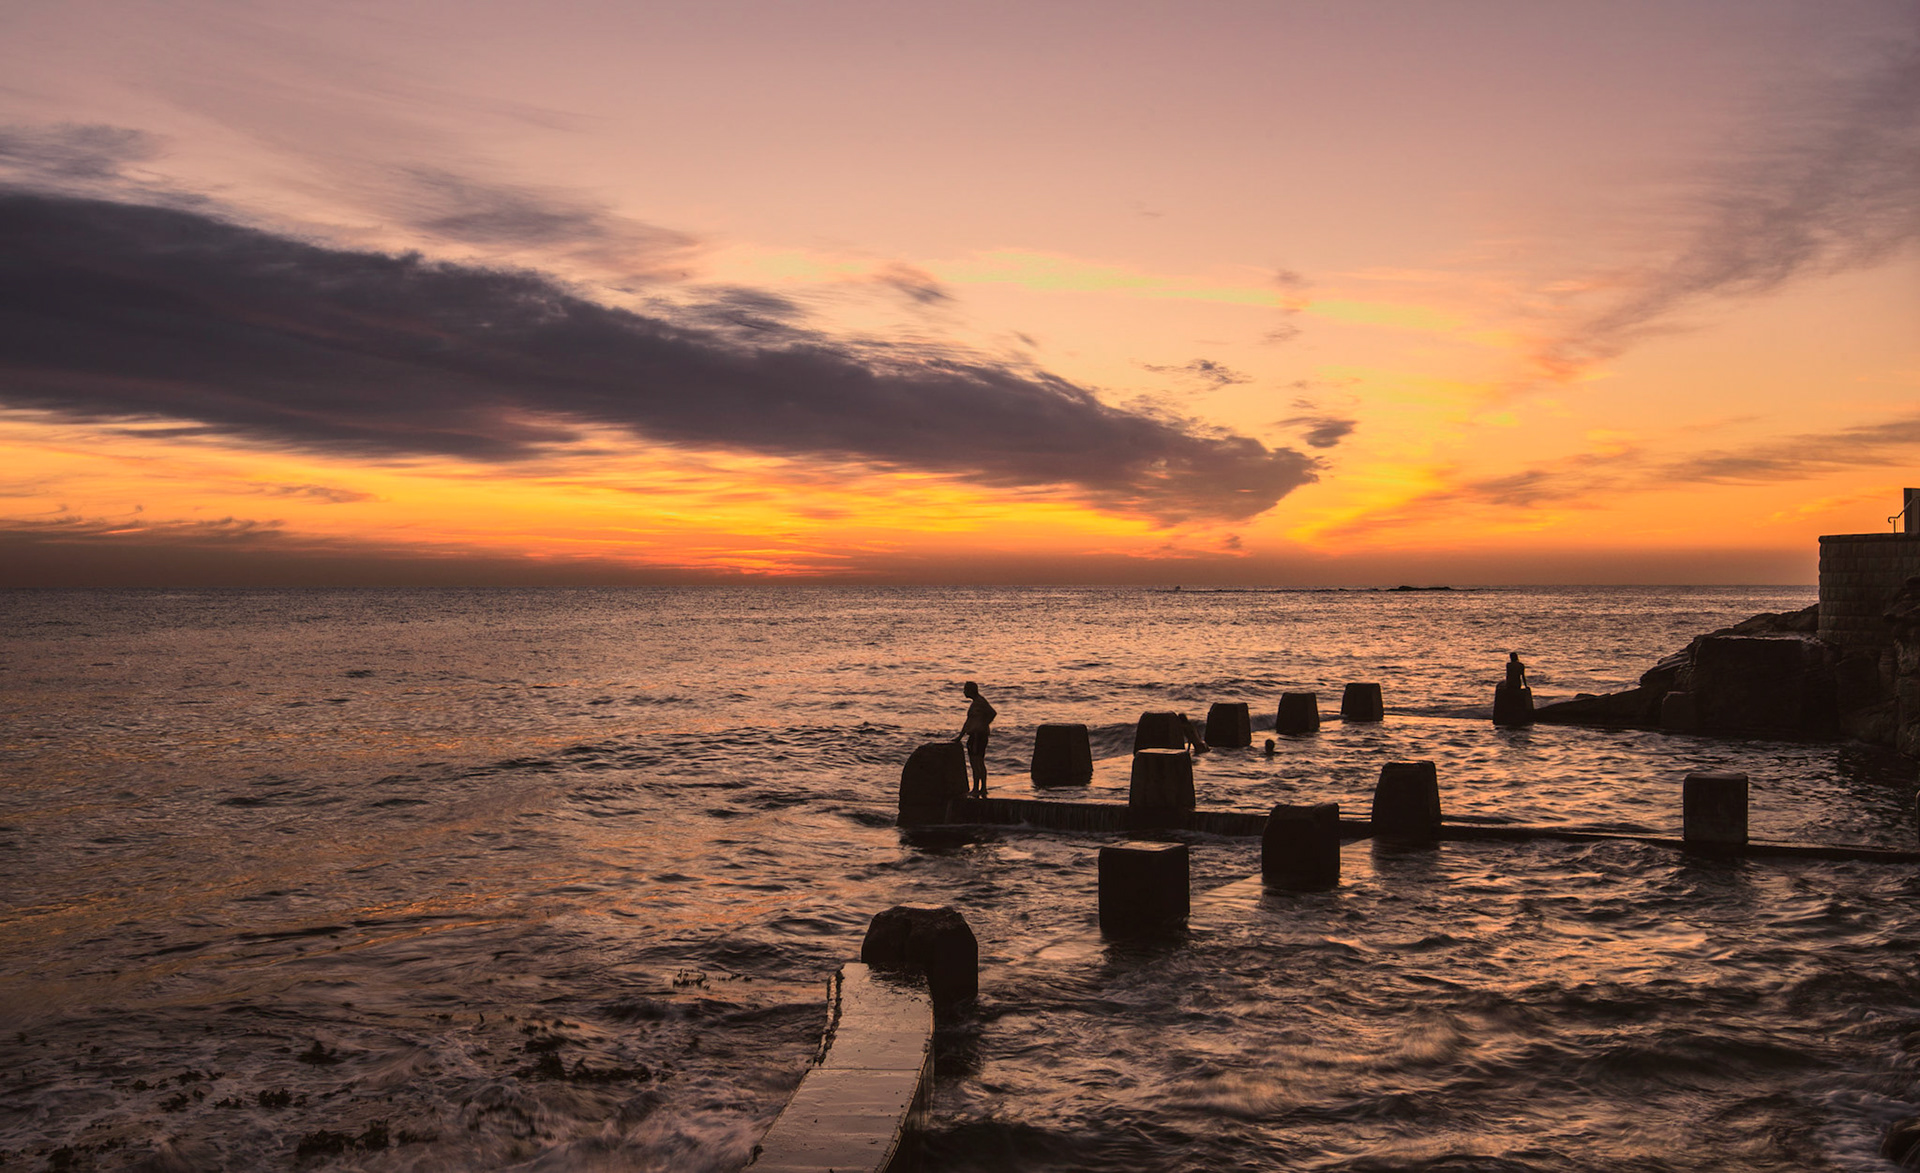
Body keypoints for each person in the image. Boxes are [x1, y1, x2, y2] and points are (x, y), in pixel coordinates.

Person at [952, 681, 997, 797]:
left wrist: (983, 724)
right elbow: (968, 722)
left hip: (978, 735)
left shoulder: (980, 702)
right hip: (975, 735)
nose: (963, 692)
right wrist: (960, 737)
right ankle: (981, 788)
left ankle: (979, 788)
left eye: (965, 690)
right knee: (978, 762)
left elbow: (992, 713)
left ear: (971, 690)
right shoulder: (976, 703)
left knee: (976, 762)